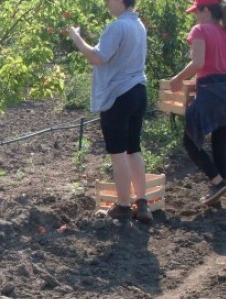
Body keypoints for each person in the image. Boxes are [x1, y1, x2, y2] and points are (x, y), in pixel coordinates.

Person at [68, 0, 152, 223]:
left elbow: (97, 56)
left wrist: (76, 37)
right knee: (134, 149)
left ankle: (124, 205)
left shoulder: (118, 26)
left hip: (118, 95)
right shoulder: (138, 24)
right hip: (138, 92)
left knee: (118, 153)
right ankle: (142, 203)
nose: (106, 2)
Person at [170, 0, 226, 207]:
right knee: (219, 145)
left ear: (206, 10)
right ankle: (218, 192)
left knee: (190, 140)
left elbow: (198, 63)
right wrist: (224, 75)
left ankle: (217, 181)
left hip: (210, 93)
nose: (195, 16)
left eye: (197, 11)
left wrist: (178, 79)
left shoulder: (200, 30)